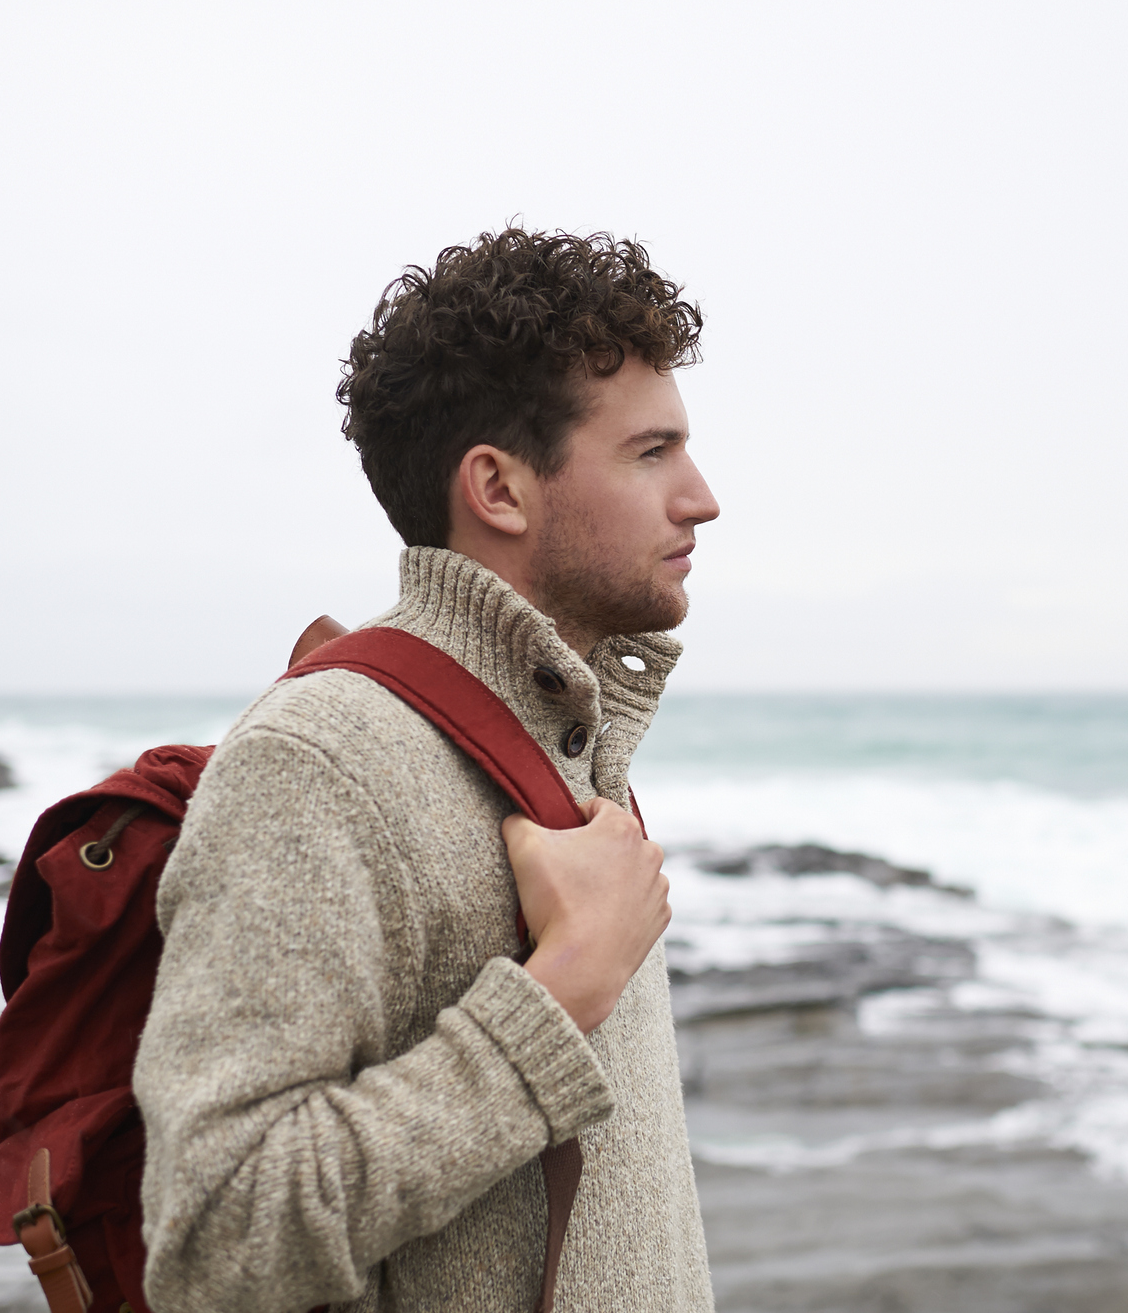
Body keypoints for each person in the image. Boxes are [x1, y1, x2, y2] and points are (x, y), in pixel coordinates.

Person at [133, 227, 720, 1312]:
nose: (701, 498)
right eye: (651, 453)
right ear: (497, 488)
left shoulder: (576, 739)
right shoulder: (316, 764)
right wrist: (560, 995)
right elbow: (212, 1232)